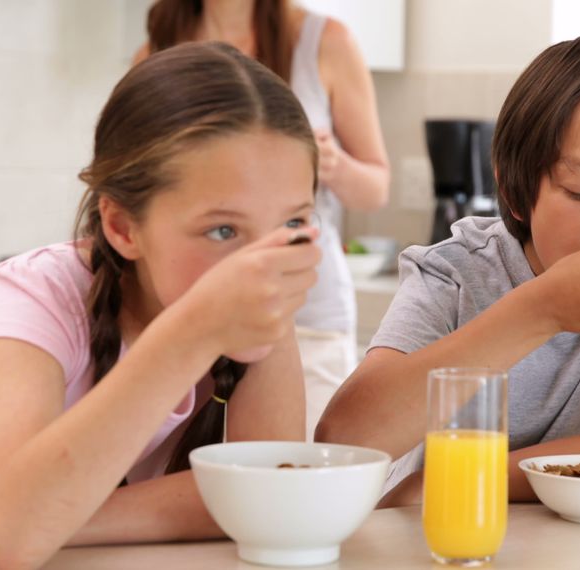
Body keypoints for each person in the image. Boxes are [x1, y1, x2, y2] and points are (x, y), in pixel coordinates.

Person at [0, 42, 322, 566]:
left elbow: (269, 497)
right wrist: (194, 331)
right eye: (222, 229)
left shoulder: (258, 296)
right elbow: (12, 538)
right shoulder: (36, 293)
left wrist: (62, 522)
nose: (260, 260)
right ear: (122, 226)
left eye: (291, 224)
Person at [315, 36, 580, 505]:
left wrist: (453, 479)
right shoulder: (453, 271)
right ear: (513, 193)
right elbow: (344, 444)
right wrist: (539, 310)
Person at [135, 0, 391, 440]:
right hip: (183, 306)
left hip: (305, 311)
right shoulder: (156, 50)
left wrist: (330, 163)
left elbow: (376, 187)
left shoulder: (325, 42)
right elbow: (138, 181)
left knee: (295, 478)